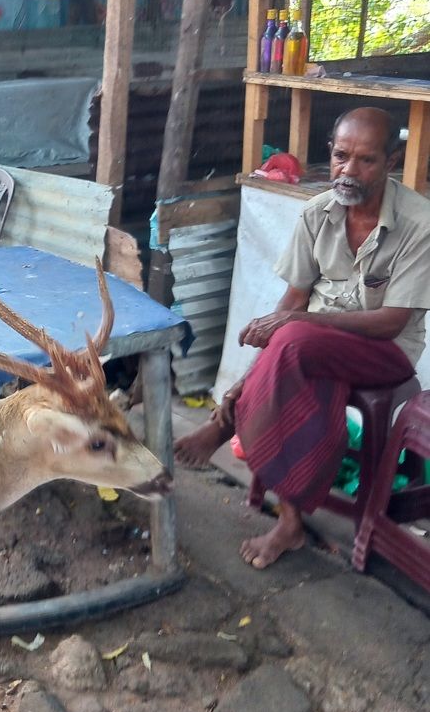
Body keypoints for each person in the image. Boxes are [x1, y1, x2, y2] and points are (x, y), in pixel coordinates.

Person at [175, 107, 430, 569]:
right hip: (315, 348)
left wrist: (302, 325)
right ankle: (290, 524)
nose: (348, 170)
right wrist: (251, 373)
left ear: (391, 161)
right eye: (340, 156)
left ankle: (227, 424)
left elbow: (391, 321)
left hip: (385, 351)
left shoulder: (419, 223)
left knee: (294, 340)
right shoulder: (318, 213)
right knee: (306, 371)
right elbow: (293, 299)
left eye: (366, 160)